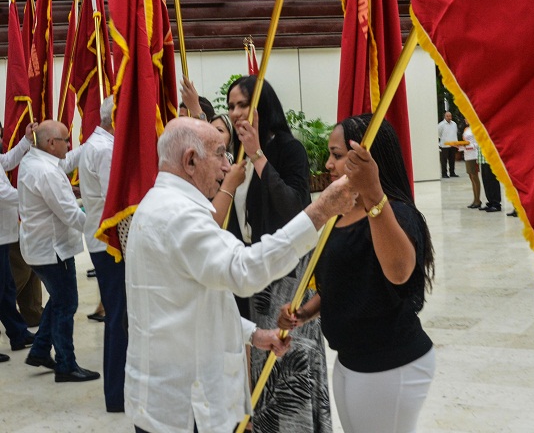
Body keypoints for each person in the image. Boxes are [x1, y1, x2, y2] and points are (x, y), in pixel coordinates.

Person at [124, 117, 356, 433]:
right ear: (190, 160)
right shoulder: (179, 216)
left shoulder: (161, 204)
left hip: (169, 397)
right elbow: (244, 271)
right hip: (185, 409)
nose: (227, 165)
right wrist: (319, 211)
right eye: (220, 154)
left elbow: (199, 299)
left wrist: (252, 334)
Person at [280, 113, 436, 433]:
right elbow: (344, 281)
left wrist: (373, 194)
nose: (327, 164)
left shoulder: (397, 214)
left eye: (337, 156)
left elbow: (398, 272)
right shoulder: (341, 216)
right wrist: (307, 311)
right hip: (350, 362)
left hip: (390, 364)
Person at [227, 75, 333, 433]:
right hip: (258, 273)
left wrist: (258, 155)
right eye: (231, 106)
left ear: (263, 106)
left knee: (292, 360)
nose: (236, 113)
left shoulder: (289, 149)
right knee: (264, 358)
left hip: (289, 272)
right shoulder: (238, 157)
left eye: (243, 104)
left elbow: (294, 208)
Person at [18, 120, 99, 382]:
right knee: (67, 303)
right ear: (51, 144)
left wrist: (88, 147)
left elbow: (62, 170)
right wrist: (101, 229)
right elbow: (69, 214)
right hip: (53, 251)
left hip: (39, 247)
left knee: (58, 299)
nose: (69, 144)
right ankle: (66, 365)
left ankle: (40, 350)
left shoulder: (33, 160)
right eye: (66, 139)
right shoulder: (47, 173)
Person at [78, 96, 126, 411]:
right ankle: (116, 395)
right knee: (118, 317)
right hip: (110, 244)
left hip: (101, 242)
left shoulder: (96, 142)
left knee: (119, 315)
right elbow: (118, 201)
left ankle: (118, 391)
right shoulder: (106, 150)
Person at [0, 121, 37, 362]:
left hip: (4, 233)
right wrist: (35, 193)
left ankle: (17, 334)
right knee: (3, 287)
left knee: (6, 287)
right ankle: (17, 332)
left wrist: (25, 140)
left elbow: (7, 160)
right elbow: (5, 194)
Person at [461, 119, 482, 209]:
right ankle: (475, 199)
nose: (466, 120)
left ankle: (478, 200)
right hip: (467, 154)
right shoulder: (466, 129)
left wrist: (471, 146)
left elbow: (478, 142)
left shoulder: (476, 128)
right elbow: (464, 141)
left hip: (474, 155)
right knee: (471, 177)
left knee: (474, 176)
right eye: (465, 118)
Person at [477, 145, 502, 212]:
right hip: (482, 157)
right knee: (486, 181)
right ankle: (490, 202)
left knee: (492, 181)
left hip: (491, 157)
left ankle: (496, 204)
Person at [437, 111, 458, 178]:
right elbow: (438, 134)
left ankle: (452, 172)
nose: (449, 117)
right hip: (444, 145)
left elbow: (455, 132)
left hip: (453, 145)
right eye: (447, 116)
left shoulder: (454, 124)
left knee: (452, 160)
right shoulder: (441, 124)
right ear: (445, 117)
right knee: (444, 160)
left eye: (450, 116)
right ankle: (444, 173)